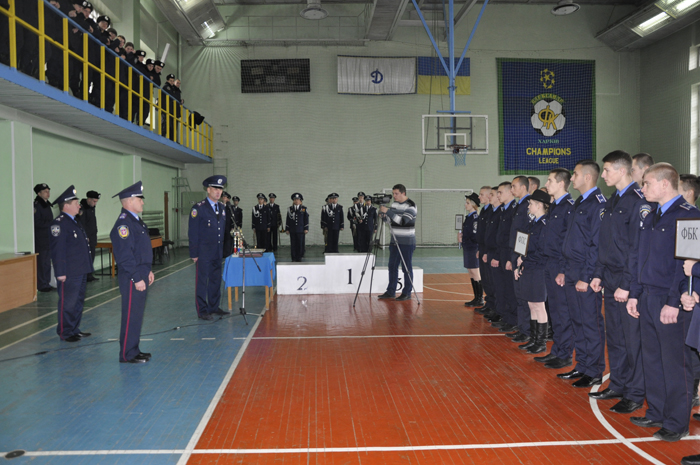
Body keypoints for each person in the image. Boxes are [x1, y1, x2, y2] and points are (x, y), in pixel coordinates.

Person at [627, 163, 698, 442]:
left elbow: (686, 266)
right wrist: (634, 293)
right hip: (647, 295)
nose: (643, 188)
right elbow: (639, 257)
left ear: (665, 184)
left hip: (669, 299)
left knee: (675, 363)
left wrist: (673, 301)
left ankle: (677, 422)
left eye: (647, 183)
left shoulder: (688, 216)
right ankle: (656, 411)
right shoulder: (651, 215)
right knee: (652, 359)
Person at [589, 151, 649, 414]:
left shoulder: (638, 201)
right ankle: (618, 384)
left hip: (627, 280)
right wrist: (598, 273)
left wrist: (627, 284)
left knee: (632, 339)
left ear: (622, 171)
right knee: (614, 336)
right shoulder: (613, 200)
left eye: (607, 170)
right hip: (611, 278)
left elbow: (636, 249)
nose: (603, 175)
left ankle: (635, 393)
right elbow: (605, 243)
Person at [558, 160, 606, 388]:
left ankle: (594, 370)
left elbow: (596, 245)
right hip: (571, 268)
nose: (572, 178)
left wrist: (586, 277)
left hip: (584, 270)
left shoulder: (598, 204)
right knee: (577, 320)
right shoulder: (580, 202)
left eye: (575, 174)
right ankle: (583, 364)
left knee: (590, 322)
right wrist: (564, 270)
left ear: (587, 177)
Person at [110, 181, 153, 363]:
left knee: (136, 315)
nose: (142, 202)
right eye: (139, 199)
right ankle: (127, 354)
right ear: (129, 201)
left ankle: (134, 349)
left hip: (141, 273)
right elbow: (125, 256)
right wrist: (136, 278)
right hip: (131, 277)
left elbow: (141, 250)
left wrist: (148, 270)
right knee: (130, 315)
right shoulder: (123, 225)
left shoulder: (135, 221)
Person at [536, 169, 575, 369]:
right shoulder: (554, 207)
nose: (547, 183)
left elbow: (568, 242)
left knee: (562, 311)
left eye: (550, 180)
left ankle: (565, 353)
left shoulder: (569, 207)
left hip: (560, 264)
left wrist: (563, 270)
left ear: (561, 183)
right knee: (554, 310)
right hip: (549, 263)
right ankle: (557, 350)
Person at [49, 185, 93, 342]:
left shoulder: (74, 222)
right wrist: (60, 272)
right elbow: (58, 250)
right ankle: (65, 332)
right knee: (68, 303)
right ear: (66, 206)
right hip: (69, 271)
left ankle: (74, 328)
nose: (79, 205)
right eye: (76, 203)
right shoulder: (59, 224)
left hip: (80, 269)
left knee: (78, 301)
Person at [514, 189, 551, 354]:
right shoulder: (533, 223)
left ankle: (541, 342)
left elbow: (542, 251)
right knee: (531, 304)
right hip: (529, 267)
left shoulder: (545, 225)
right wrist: (521, 260)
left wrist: (525, 259)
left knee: (539, 305)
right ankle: (534, 339)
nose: (528, 206)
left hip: (538, 269)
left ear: (539, 205)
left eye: (531, 204)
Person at [189, 176, 229, 320]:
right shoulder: (199, 208)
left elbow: (221, 230)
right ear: (208, 190)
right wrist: (194, 253)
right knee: (202, 282)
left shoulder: (222, 208)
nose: (218, 192)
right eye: (215, 189)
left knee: (215, 280)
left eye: (220, 189)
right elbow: (193, 232)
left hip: (217, 251)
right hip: (203, 252)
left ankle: (214, 306)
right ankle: (202, 310)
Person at [501, 176, 531, 336]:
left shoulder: (527, 205)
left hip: (521, 254)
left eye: (514, 186)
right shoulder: (519, 205)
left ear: (523, 187)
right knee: (518, 294)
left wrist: (521, 256)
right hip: (515, 253)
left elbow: (526, 232)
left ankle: (526, 330)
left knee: (523, 295)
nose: (512, 190)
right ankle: (521, 327)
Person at [377, 184, 417, 301]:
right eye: (393, 193)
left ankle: (407, 292)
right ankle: (391, 291)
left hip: (407, 242)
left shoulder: (411, 205)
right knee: (392, 266)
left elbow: (403, 221)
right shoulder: (394, 204)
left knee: (406, 268)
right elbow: (391, 221)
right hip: (394, 240)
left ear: (403, 193)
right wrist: (383, 216)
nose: (394, 196)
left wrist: (388, 212)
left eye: (396, 194)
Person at [491, 182, 518, 331]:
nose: (498, 195)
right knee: (503, 287)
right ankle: (506, 317)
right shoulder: (504, 210)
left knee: (510, 289)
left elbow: (511, 237)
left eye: (500, 192)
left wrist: (509, 258)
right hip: (501, 252)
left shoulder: (513, 210)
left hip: (508, 253)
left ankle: (512, 320)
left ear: (509, 193)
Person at [474, 186, 495, 314]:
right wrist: (480, 248)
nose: (479, 197)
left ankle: (493, 305)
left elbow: (490, 234)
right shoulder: (484, 210)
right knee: (485, 278)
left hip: (488, 249)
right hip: (482, 248)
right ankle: (489, 303)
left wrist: (486, 250)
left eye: (482, 194)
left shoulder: (491, 211)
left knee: (490, 278)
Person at [461, 193, 483, 307]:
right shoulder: (469, 217)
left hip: (473, 248)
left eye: (468, 203)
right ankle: (476, 297)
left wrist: (466, 238)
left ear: (473, 205)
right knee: (471, 272)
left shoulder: (475, 219)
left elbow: (475, 235)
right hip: (468, 247)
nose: (466, 205)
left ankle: (480, 298)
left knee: (475, 272)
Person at [34, 183, 54, 292]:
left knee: (47, 262)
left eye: (48, 191)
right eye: (45, 191)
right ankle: (42, 284)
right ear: (39, 193)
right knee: (41, 263)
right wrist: (50, 224)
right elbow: (36, 222)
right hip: (41, 239)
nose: (48, 193)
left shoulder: (47, 205)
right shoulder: (37, 205)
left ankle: (47, 282)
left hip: (48, 238)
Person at [78, 190, 100, 282]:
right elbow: (82, 224)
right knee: (86, 257)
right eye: (94, 201)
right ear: (89, 199)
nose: (95, 204)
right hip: (86, 238)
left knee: (91, 256)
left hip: (92, 236)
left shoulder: (91, 208)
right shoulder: (82, 209)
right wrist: (85, 236)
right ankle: (85, 275)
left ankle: (89, 274)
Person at [285, 193, 309, 262]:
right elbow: (288, 219)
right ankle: (293, 257)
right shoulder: (290, 209)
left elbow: (306, 219)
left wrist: (306, 228)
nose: (296, 201)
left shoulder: (303, 209)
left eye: (298, 199)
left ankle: (299, 257)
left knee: (299, 244)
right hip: (292, 229)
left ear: (300, 201)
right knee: (293, 244)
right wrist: (287, 229)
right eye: (295, 199)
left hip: (300, 230)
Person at [221, 191, 234, 257]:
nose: (224, 198)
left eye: (225, 197)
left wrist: (232, 226)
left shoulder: (230, 207)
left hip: (228, 227)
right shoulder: (219, 206)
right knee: (221, 241)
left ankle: (227, 254)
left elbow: (233, 217)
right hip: (221, 227)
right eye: (223, 197)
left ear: (228, 199)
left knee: (228, 241)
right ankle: (221, 253)